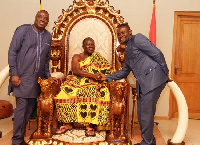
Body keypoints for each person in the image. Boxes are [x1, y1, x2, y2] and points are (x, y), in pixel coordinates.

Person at [101, 23, 171, 145]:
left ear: (130, 32)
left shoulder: (137, 38)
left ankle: (147, 143)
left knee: (145, 114)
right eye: (118, 34)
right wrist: (107, 77)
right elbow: (125, 71)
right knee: (141, 113)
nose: (120, 35)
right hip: (144, 83)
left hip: (153, 79)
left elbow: (157, 53)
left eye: (123, 32)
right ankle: (149, 141)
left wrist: (166, 72)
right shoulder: (127, 52)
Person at [54, 37, 115, 136]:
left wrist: (100, 76)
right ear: (83, 46)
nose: (91, 46)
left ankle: (89, 125)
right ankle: (68, 123)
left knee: (90, 91)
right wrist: (92, 75)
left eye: (93, 44)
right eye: (88, 44)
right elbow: (76, 70)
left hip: (92, 82)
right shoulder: (76, 56)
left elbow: (108, 69)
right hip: (76, 80)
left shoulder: (98, 57)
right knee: (64, 93)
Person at [8, 10, 52, 145]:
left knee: (29, 111)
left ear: (47, 22)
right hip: (22, 78)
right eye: (40, 17)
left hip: (36, 81)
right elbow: (12, 52)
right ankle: (16, 141)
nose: (43, 20)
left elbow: (46, 60)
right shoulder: (23, 30)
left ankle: (20, 139)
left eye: (45, 19)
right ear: (36, 17)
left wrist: (48, 78)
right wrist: (14, 74)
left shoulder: (48, 36)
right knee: (21, 110)